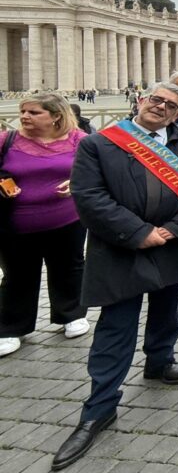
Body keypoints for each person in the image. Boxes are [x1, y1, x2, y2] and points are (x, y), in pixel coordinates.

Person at [53, 82, 178, 470]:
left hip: (171, 241)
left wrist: (176, 228)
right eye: (155, 99)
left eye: (170, 105)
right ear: (140, 101)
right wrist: (139, 233)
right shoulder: (99, 143)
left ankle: (160, 360)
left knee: (166, 309)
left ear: (177, 113)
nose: (160, 107)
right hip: (119, 246)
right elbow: (89, 197)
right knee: (116, 324)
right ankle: (100, 406)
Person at [0, 93, 89, 359]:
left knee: (69, 267)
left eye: (34, 112)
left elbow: (96, 171)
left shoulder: (79, 140)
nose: (25, 116)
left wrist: (77, 182)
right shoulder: (7, 140)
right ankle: (11, 327)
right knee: (17, 274)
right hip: (15, 221)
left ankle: (71, 314)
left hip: (67, 219)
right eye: (23, 111)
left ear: (56, 115)